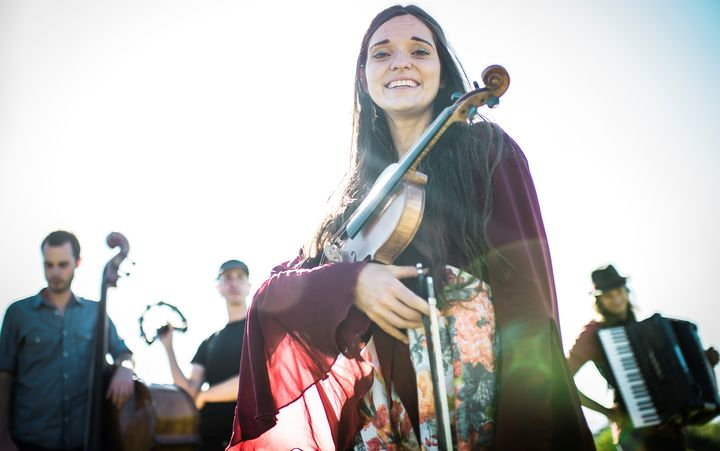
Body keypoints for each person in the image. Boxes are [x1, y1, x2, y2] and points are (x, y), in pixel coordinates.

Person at [228, 5, 594, 450]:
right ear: (364, 78)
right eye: (381, 54)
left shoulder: (487, 150)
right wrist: (352, 281)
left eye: (420, 50)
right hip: (382, 426)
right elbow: (271, 295)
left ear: (443, 72)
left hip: (487, 415)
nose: (400, 61)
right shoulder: (354, 199)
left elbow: (528, 305)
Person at [0, 231, 134, 451]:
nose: (55, 272)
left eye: (62, 264)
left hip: (82, 443)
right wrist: (2, 437)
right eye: (48, 265)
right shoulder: (18, 313)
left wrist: (126, 369)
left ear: (77, 263)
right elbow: (3, 376)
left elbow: (123, 353)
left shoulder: (96, 313)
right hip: (28, 441)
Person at [567, 264, 719, 450]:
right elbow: (563, 378)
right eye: (608, 296)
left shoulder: (643, 331)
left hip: (671, 430)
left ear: (626, 292)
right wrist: (607, 412)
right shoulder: (592, 334)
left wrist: (704, 364)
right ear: (599, 301)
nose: (616, 299)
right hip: (635, 434)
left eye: (619, 292)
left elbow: (668, 372)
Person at [159, 260, 250, 451]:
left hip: (249, 435)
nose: (234, 283)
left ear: (248, 286)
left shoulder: (258, 330)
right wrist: (168, 347)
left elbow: (251, 382)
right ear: (219, 287)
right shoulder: (209, 342)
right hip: (209, 438)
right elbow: (190, 392)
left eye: (240, 277)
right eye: (227, 278)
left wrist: (206, 395)